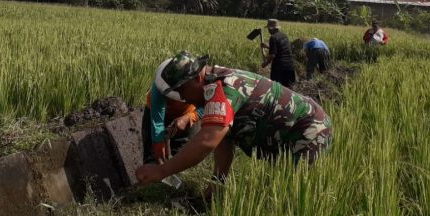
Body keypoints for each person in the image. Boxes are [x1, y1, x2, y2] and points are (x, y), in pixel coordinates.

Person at [135, 51, 333, 190]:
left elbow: (207, 141)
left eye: (182, 90)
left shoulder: (224, 88)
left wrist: (161, 171)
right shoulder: (212, 87)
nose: (183, 98)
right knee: (277, 191)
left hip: (308, 130)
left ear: (196, 78)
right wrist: (218, 182)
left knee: (290, 198)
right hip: (286, 134)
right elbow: (223, 139)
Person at [142, 56, 202, 164]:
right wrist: (159, 156)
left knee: (184, 157)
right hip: (158, 114)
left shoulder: (201, 84)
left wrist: (189, 118)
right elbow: (157, 124)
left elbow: (207, 107)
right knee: (152, 158)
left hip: (189, 113)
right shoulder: (159, 88)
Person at [260, 19, 296, 88]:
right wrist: (267, 46)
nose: (268, 31)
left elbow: (272, 55)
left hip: (279, 68)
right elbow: (281, 49)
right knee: (288, 89)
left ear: (271, 29)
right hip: (290, 66)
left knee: (276, 89)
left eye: (268, 29)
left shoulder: (273, 38)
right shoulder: (284, 36)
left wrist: (265, 63)